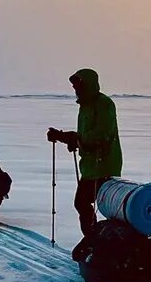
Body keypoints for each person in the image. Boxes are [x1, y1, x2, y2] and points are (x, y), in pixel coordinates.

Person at [47, 67, 122, 238]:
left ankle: (97, 239)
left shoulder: (104, 104)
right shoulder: (85, 106)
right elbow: (85, 136)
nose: (76, 90)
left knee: (95, 204)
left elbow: (102, 134)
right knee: (82, 203)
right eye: (74, 87)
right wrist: (69, 139)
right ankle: (94, 239)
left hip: (104, 166)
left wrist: (75, 139)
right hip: (89, 166)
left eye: (78, 86)